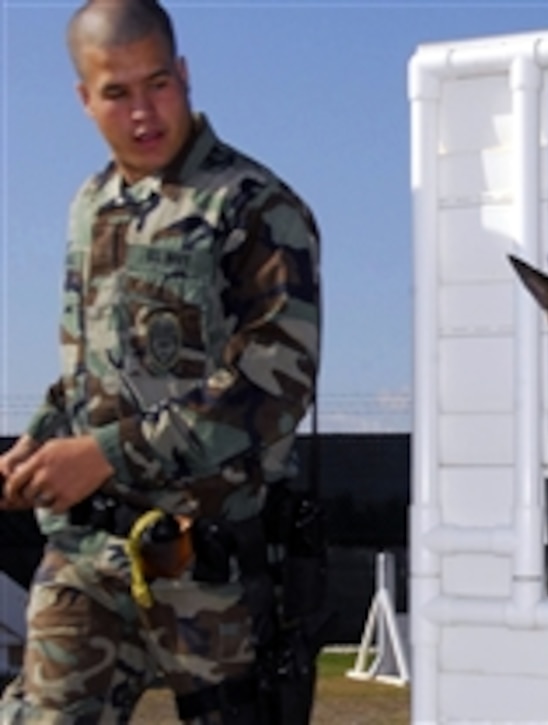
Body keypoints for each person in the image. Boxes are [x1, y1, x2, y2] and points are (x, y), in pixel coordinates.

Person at [0, 0, 322, 722]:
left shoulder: (256, 207)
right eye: (117, 92)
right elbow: (82, 370)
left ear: (184, 73)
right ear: (85, 98)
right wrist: (37, 442)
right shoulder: (91, 205)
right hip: (87, 553)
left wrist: (105, 454)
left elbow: (270, 391)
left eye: (158, 84)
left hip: (206, 567)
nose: (143, 111)